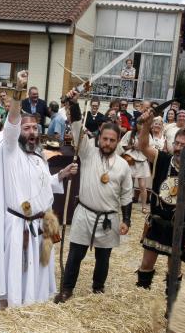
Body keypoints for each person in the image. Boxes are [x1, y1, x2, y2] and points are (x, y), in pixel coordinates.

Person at [0, 92, 77, 309]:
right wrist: (17, 95)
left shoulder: (38, 156)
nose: (32, 132)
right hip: (18, 227)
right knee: (19, 270)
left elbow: (41, 186)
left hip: (40, 225)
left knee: (38, 269)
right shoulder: (11, 150)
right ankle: (15, 307)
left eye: (35, 128)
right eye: (27, 128)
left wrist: (61, 175)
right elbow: (12, 125)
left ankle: (34, 305)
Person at [55, 97, 133, 302]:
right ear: (99, 138)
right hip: (85, 214)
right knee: (75, 255)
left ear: (117, 141)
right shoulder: (88, 152)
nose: (107, 143)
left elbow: (126, 195)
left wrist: (127, 219)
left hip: (108, 218)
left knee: (103, 258)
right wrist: (73, 104)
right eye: (104, 139)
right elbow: (77, 127)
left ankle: (98, 289)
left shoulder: (123, 165)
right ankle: (67, 289)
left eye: (112, 140)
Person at [134, 109, 185, 290]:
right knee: (146, 265)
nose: (178, 148)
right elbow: (143, 146)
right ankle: (141, 295)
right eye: (177, 143)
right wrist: (146, 125)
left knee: (174, 270)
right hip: (157, 222)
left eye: (183, 145)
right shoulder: (163, 159)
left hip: (180, 228)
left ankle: (171, 304)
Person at [119, 120, 151, 214]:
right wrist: (132, 146)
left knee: (142, 186)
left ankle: (144, 206)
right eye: (139, 123)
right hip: (130, 160)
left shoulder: (147, 134)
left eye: (142, 123)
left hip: (142, 161)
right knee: (128, 185)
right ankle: (125, 204)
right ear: (136, 124)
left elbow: (151, 147)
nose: (140, 125)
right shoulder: (129, 133)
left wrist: (142, 147)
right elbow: (122, 145)